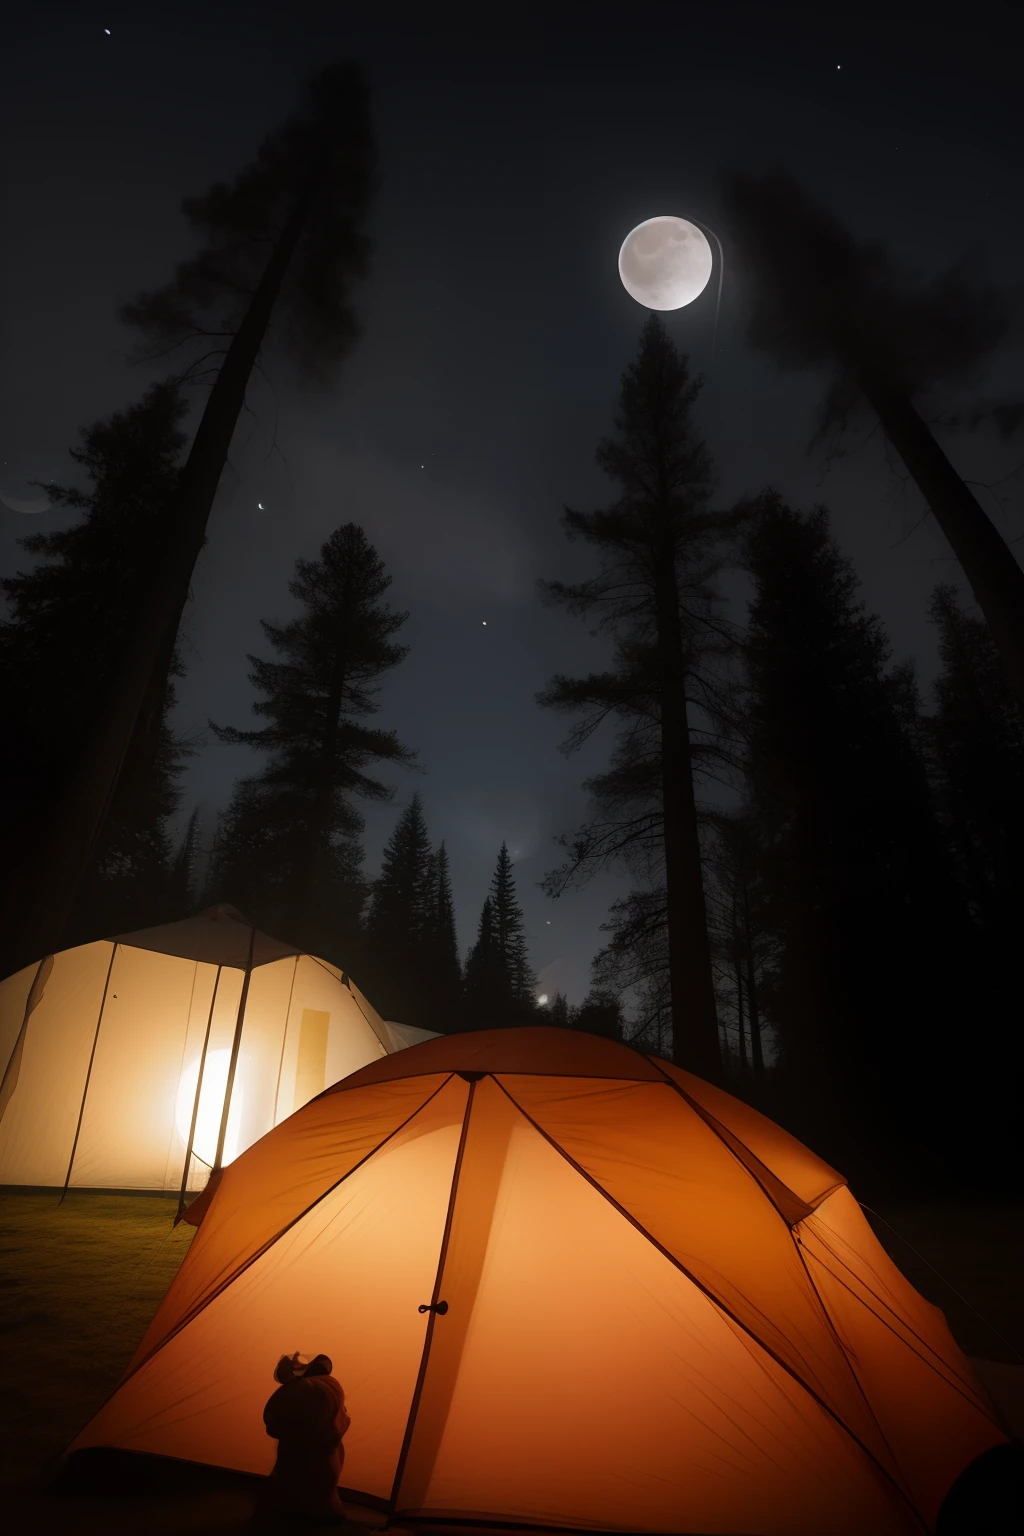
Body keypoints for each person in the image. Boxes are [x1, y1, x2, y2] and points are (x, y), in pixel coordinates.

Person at [259, 1351, 351, 1525]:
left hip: (304, 1468)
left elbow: (273, 1424)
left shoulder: (304, 1391)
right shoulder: (327, 1387)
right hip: (322, 1465)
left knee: (301, 1499)